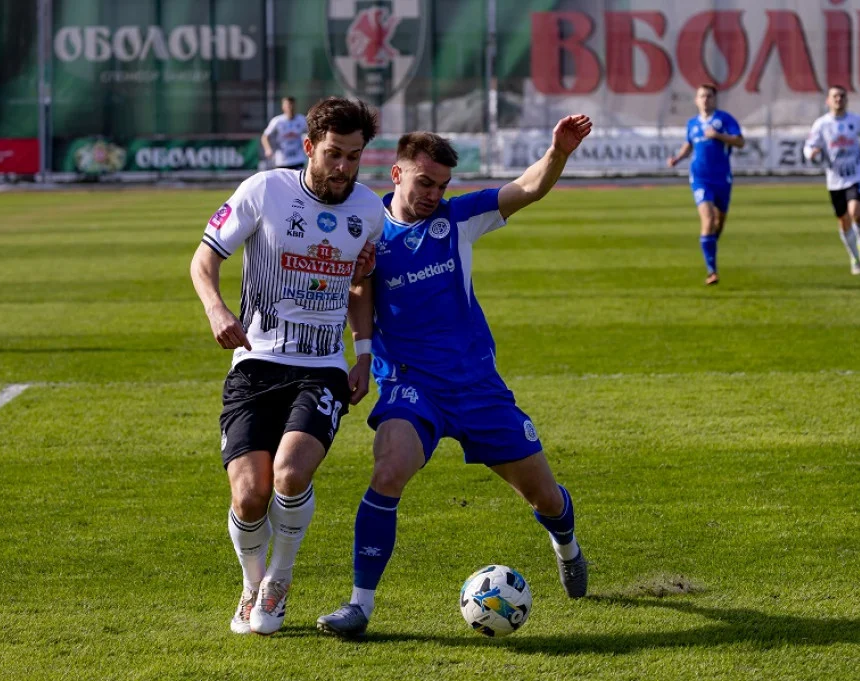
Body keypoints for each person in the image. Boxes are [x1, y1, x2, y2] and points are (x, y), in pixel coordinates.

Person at [316, 115, 594, 639]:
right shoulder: (367, 227)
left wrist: (558, 151)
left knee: (546, 498)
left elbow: (528, 188)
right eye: (424, 182)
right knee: (388, 471)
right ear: (396, 173)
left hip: (476, 387)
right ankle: (359, 606)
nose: (433, 195)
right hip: (411, 385)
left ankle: (567, 547)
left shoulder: (458, 218)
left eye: (442, 186)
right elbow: (359, 293)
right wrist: (363, 356)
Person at [189, 96, 382, 636]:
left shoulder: (369, 211)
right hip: (254, 363)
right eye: (334, 154)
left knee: (291, 474)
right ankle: (250, 583)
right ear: (308, 146)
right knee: (250, 495)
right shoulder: (264, 190)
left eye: (353, 157)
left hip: (321, 367)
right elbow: (203, 259)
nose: (343, 167)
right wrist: (217, 310)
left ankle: (279, 577)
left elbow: (362, 285)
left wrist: (363, 354)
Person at [803, 85, 860, 275]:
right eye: (835, 96)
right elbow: (809, 145)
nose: (839, 99)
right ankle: (854, 258)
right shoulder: (821, 124)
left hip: (855, 174)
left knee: (856, 213)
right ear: (828, 101)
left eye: (842, 96)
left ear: (846, 99)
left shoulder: (855, 120)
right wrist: (811, 153)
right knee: (843, 221)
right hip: (835, 179)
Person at [667, 84, 745, 286]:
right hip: (700, 177)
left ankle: (708, 246)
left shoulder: (724, 119)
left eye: (709, 96)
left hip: (722, 178)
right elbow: (689, 144)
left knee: (718, 224)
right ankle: (712, 271)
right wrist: (678, 158)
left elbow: (740, 142)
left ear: (715, 99)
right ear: (696, 100)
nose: (705, 99)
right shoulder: (692, 123)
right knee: (708, 219)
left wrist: (718, 136)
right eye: (702, 96)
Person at [261, 96, 309, 170]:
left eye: (291, 105)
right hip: (282, 160)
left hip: (298, 159)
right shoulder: (277, 121)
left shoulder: (302, 119)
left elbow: (311, 132)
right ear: (283, 107)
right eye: (287, 105)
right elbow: (265, 136)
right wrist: (268, 149)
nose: (290, 108)